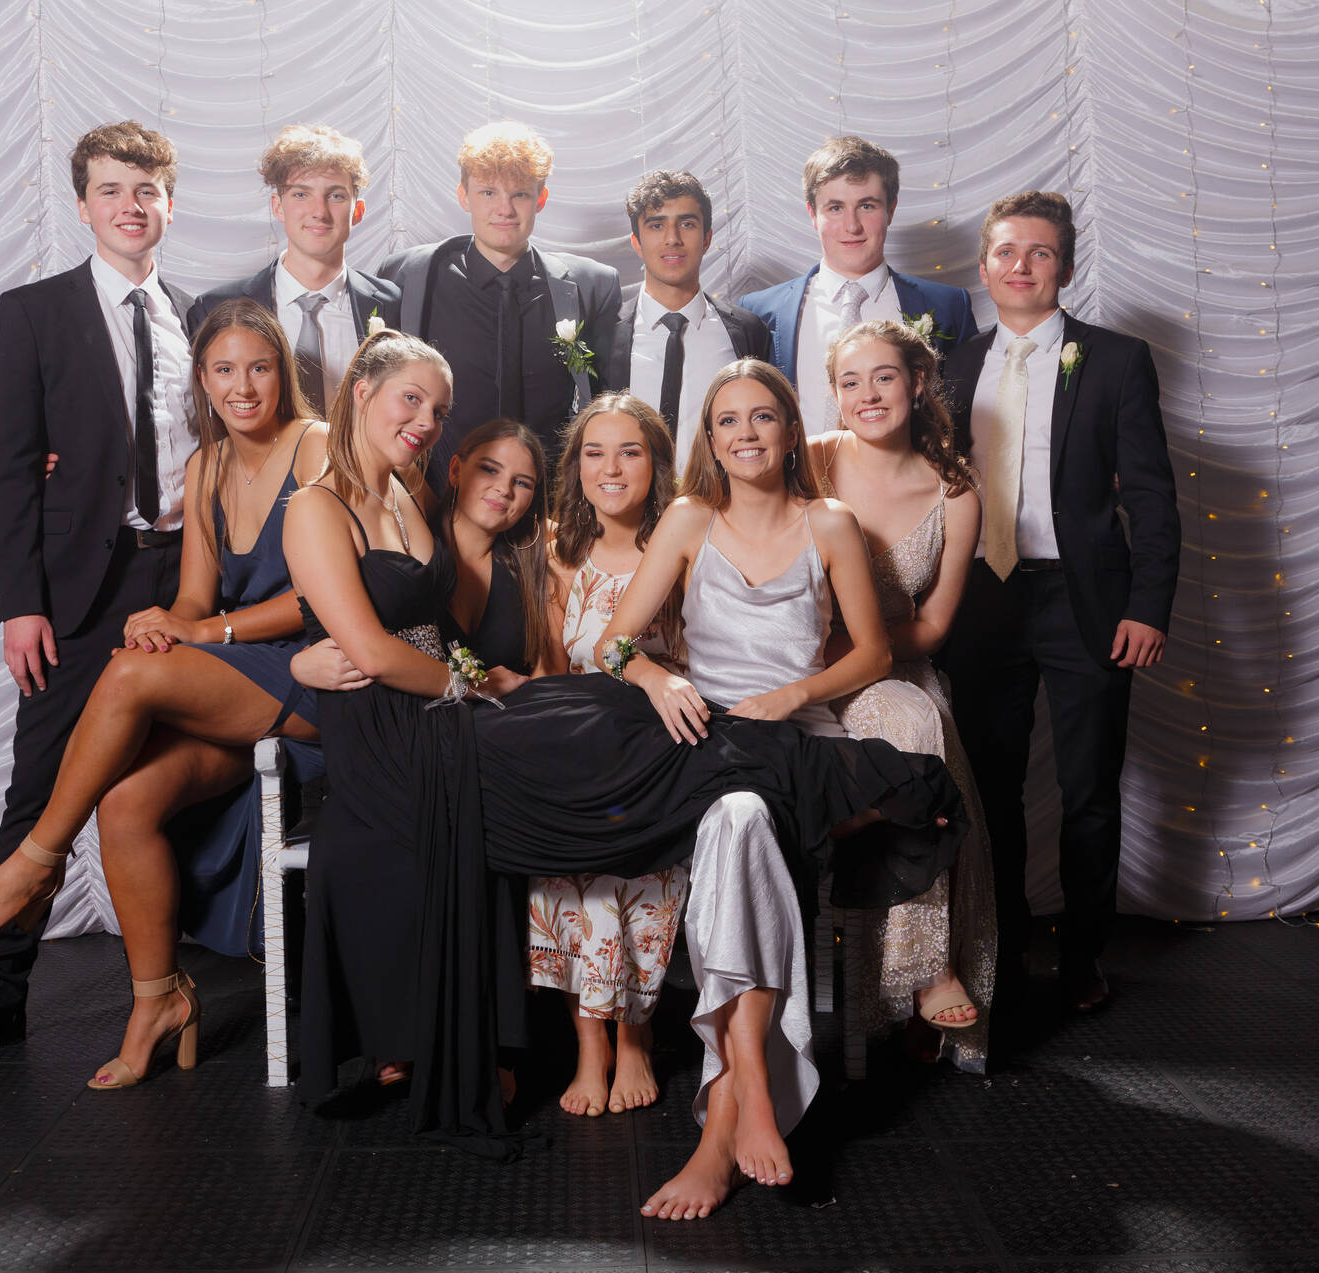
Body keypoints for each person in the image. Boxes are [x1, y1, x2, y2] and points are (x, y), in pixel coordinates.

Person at [279, 332, 960, 1168]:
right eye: (411, 400)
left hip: (443, 705)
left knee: (595, 709)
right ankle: (857, 784)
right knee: (597, 719)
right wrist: (318, 666)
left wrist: (487, 680)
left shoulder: (404, 493)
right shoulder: (318, 506)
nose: (426, 419)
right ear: (360, 391)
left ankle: (831, 783)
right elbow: (365, 644)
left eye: (438, 407)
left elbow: (415, 624)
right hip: (398, 734)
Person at [597, 359, 937, 1219]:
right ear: (710, 441)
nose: (745, 433)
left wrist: (795, 695)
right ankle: (748, 1091)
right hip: (705, 739)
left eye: (762, 417)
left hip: (795, 741)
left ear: (790, 431)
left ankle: (728, 1112)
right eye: (727, 421)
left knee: (741, 820)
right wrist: (657, 678)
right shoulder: (687, 518)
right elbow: (610, 645)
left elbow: (874, 653)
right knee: (737, 815)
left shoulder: (830, 523)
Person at [0, 122, 197, 1071]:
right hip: (81, 589)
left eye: (146, 190)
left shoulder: (201, 318)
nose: (130, 206)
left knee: (178, 778)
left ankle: (178, 981)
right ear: (82, 206)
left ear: (170, 203)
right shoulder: (33, 312)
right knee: (43, 784)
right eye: (111, 190)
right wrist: (19, 602)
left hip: (188, 579)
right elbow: (9, 468)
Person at [939, 191, 1180, 1014]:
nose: (1022, 266)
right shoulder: (950, 366)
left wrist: (1148, 605)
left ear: (1065, 267)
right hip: (982, 600)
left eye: (1040, 252)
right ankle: (1001, 949)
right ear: (984, 268)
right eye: (1007, 252)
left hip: (1087, 602)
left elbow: (1150, 496)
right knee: (988, 791)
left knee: (1090, 791)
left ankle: (1083, 958)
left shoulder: (1115, 360)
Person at [301, 416, 558, 1091]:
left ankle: (483, 1035)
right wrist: (298, 663)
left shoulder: (532, 562)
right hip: (405, 726)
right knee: (353, 841)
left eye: (523, 482)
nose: (503, 490)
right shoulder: (410, 536)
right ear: (456, 469)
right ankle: (402, 1027)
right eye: (490, 470)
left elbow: (547, 674)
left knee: (478, 815)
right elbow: (320, 602)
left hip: (496, 732)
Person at [813, 318, 998, 1074]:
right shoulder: (811, 461)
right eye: (850, 381)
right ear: (834, 394)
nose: (868, 394)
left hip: (895, 665)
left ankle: (924, 965)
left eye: (883, 377)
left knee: (918, 723)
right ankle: (915, 974)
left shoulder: (956, 491)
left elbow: (934, 625)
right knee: (912, 729)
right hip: (802, 666)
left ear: (917, 383)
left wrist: (865, 655)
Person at [525, 393, 687, 1118]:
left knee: (635, 858)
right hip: (580, 739)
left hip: (662, 743)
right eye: (595, 453)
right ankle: (591, 1043)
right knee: (561, 842)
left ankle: (636, 1034)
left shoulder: (684, 541)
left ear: (656, 465)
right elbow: (552, 668)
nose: (611, 468)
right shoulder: (559, 553)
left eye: (630, 452)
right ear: (576, 467)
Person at [376, 121, 621, 487]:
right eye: (488, 192)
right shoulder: (408, 275)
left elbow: (606, 407)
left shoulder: (592, 285)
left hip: (547, 494)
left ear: (540, 199)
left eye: (519, 194)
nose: (504, 209)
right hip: (434, 493)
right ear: (464, 196)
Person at [738, 135, 976, 435]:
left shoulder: (947, 307)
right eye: (835, 208)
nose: (852, 226)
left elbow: (964, 423)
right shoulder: (758, 312)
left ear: (891, 210)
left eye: (866, 206)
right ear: (813, 214)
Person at [188, 124, 400, 416]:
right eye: (301, 194)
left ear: (358, 211)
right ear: (278, 206)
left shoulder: (393, 304)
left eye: (336, 196)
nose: (319, 211)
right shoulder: (214, 308)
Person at [601, 171, 769, 466]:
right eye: (657, 225)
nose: (672, 239)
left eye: (687, 224)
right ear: (636, 242)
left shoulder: (748, 332)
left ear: (707, 239)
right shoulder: (602, 336)